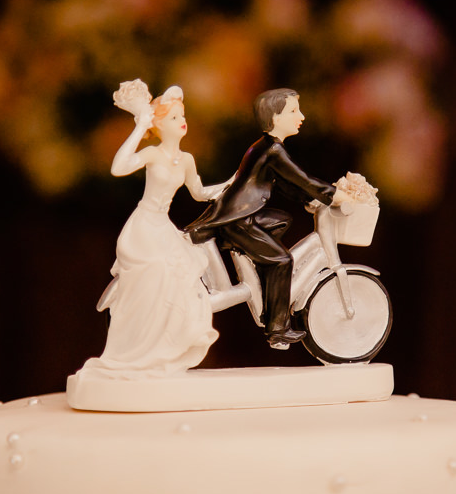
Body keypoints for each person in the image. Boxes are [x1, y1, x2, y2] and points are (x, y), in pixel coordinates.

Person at [78, 85, 227, 378]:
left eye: (181, 115)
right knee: (156, 270)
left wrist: (230, 185)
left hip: (163, 226)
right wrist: (139, 127)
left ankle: (164, 346)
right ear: (157, 125)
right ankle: (135, 346)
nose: (181, 121)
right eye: (172, 117)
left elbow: (198, 193)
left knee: (182, 278)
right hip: (144, 226)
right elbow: (118, 168)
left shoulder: (186, 160)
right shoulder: (152, 154)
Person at [186, 88, 347, 349]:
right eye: (294, 111)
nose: (301, 116)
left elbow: (283, 184)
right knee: (282, 261)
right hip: (237, 221)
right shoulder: (273, 150)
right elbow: (302, 178)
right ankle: (277, 329)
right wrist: (336, 195)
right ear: (275, 118)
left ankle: (264, 275)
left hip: (239, 215)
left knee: (282, 220)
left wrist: (309, 200)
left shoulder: (265, 147)